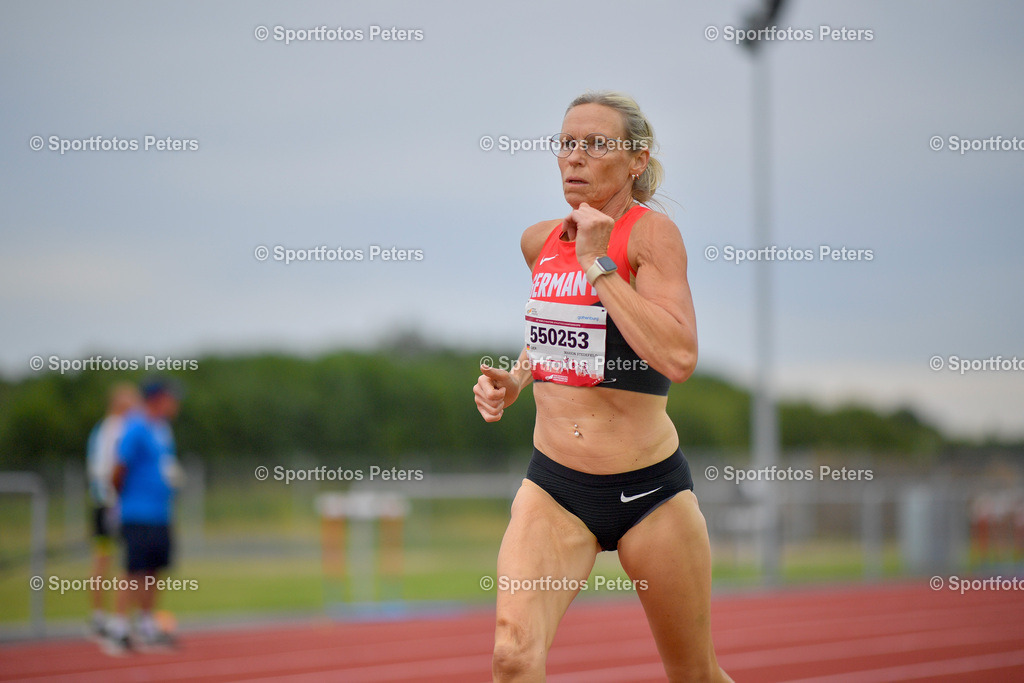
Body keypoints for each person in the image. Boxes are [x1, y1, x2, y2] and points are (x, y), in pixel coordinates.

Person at [473, 91, 732, 681]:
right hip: (555, 485)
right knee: (512, 656)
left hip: (649, 493)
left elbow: (678, 354)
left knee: (695, 675)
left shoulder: (650, 236)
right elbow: (557, 334)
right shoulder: (539, 241)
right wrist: (514, 381)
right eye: (567, 144)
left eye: (595, 145)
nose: (575, 158)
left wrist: (598, 264)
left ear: (636, 160)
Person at [102, 377, 185, 655]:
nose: (175, 403)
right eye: (171, 397)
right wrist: (119, 500)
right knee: (132, 569)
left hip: (160, 512)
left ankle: (147, 624)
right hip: (136, 511)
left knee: (153, 569)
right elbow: (119, 467)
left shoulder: (162, 428)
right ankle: (119, 627)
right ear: (157, 398)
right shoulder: (135, 425)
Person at [85, 382, 141, 640]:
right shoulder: (115, 429)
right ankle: (109, 617)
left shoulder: (103, 428)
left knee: (109, 559)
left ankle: (107, 616)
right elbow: (109, 470)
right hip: (111, 504)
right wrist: (113, 502)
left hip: (107, 502)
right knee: (118, 560)